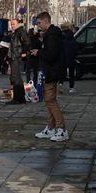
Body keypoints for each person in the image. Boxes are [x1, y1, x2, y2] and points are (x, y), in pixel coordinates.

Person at [32, 12, 68, 142]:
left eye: (39, 23)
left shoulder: (51, 36)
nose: (38, 25)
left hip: (52, 72)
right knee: (50, 101)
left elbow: (51, 55)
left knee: (50, 101)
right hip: (52, 71)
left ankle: (61, 129)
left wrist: (39, 52)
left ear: (45, 21)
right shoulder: (51, 34)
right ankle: (51, 128)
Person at [7, 19, 30, 105]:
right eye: (11, 24)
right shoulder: (15, 32)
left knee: (15, 78)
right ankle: (21, 98)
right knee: (17, 78)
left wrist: (23, 52)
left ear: (18, 24)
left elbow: (27, 42)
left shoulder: (20, 31)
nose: (12, 26)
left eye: (14, 24)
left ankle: (17, 99)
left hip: (16, 57)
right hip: (13, 56)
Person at [62, 24, 79, 93]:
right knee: (71, 74)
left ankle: (60, 86)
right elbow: (76, 50)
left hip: (63, 59)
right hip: (71, 59)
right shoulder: (73, 41)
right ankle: (71, 87)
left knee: (62, 74)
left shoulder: (63, 41)